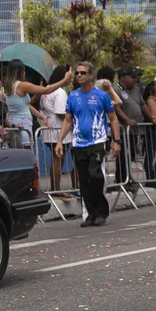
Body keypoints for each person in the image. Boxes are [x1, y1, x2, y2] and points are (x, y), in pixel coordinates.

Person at [55, 62, 120, 227]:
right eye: (77, 73)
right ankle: (91, 214)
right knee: (83, 180)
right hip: (79, 144)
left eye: (83, 73)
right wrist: (60, 141)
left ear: (91, 75)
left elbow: (113, 119)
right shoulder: (73, 96)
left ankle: (101, 211)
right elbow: (68, 120)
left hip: (97, 141)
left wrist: (116, 141)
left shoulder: (101, 95)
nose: (79, 75)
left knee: (95, 175)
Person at [4, 60, 73, 149]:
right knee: (27, 153)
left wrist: (42, 117)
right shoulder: (21, 85)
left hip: (14, 121)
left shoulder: (9, 86)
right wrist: (64, 80)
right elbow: (46, 90)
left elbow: (26, 105)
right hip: (22, 122)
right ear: (21, 72)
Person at [40, 65, 75, 199]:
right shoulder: (60, 92)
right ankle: (57, 189)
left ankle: (55, 188)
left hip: (50, 130)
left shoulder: (46, 91)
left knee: (56, 160)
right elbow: (61, 113)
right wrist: (72, 122)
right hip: (59, 131)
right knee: (58, 160)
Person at [114, 67, 146, 192]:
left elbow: (142, 105)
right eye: (132, 77)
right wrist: (127, 120)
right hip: (123, 130)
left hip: (133, 131)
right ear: (123, 78)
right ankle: (121, 180)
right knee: (123, 156)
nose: (135, 79)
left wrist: (153, 117)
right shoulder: (116, 90)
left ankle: (128, 178)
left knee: (130, 155)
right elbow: (116, 107)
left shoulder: (135, 89)